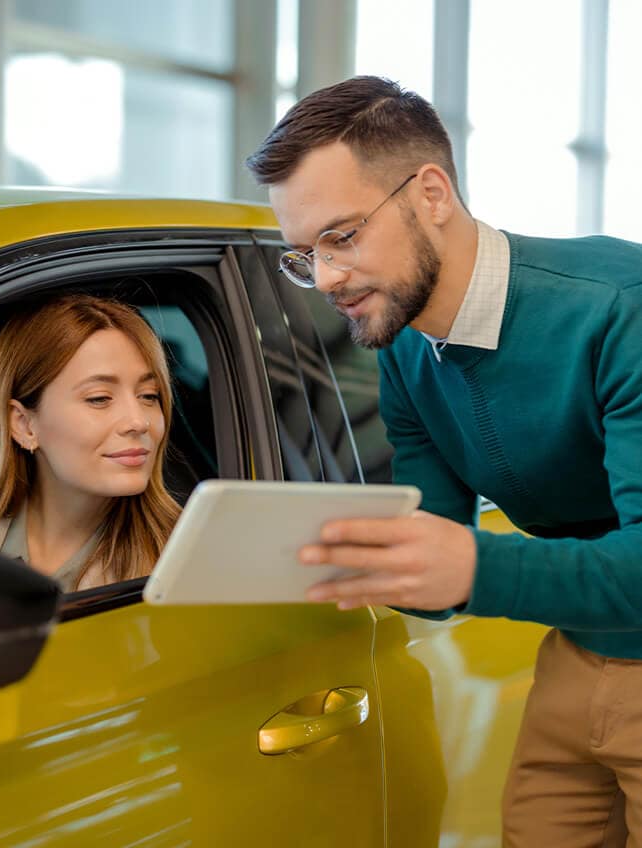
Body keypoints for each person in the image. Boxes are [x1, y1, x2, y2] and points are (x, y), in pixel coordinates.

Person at [246, 75, 642, 845]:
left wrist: (470, 568)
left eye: (343, 236)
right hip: (578, 651)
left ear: (432, 192)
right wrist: (355, 561)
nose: (325, 278)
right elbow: (433, 581)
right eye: (304, 256)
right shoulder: (404, 353)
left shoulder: (620, 308)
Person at [0, 294, 181, 591]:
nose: (139, 421)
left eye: (149, 396)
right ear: (24, 425)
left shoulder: (184, 561)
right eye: (99, 398)